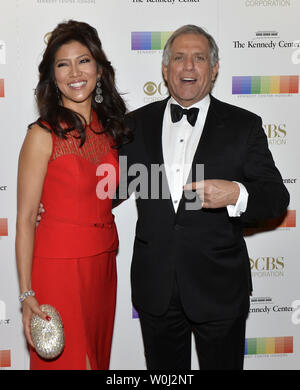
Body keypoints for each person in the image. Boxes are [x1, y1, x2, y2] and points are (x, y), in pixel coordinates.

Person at [118, 25, 290, 370]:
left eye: (199, 58)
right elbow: (110, 188)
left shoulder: (244, 126)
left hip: (220, 290)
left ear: (214, 69)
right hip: (156, 289)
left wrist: (237, 193)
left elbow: (275, 197)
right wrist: (55, 204)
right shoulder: (134, 125)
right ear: (165, 70)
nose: (188, 67)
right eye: (179, 58)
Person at [16, 20, 131, 370]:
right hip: (58, 268)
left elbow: (106, 194)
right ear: (53, 77)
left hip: (102, 266)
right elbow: (23, 220)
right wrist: (26, 295)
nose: (75, 72)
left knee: (96, 361)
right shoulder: (42, 134)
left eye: (83, 60)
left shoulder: (111, 130)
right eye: (63, 64)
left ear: (99, 69)